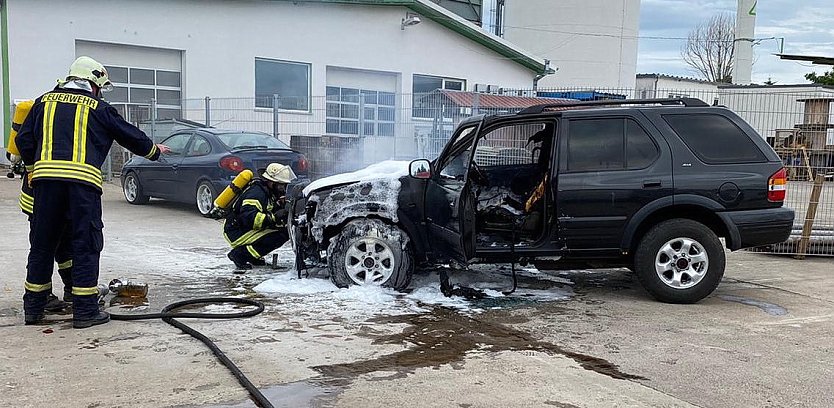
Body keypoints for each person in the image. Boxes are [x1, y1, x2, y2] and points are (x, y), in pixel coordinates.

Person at [15, 56, 170, 328]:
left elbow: (23, 140)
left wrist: (32, 170)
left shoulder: (43, 102)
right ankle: (85, 311)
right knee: (85, 245)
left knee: (42, 245)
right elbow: (128, 135)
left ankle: (34, 309)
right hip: (81, 188)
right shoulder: (99, 108)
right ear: (94, 83)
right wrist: (153, 151)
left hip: (46, 186)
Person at [224, 163, 296, 271]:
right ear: (271, 182)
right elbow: (248, 218)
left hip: (242, 228)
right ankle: (240, 255)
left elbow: (266, 209)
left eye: (284, 185)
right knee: (281, 234)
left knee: (283, 229)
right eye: (280, 185)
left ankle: (253, 257)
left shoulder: (267, 191)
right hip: (236, 231)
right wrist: (273, 217)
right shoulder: (256, 193)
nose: (282, 189)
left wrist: (280, 208)